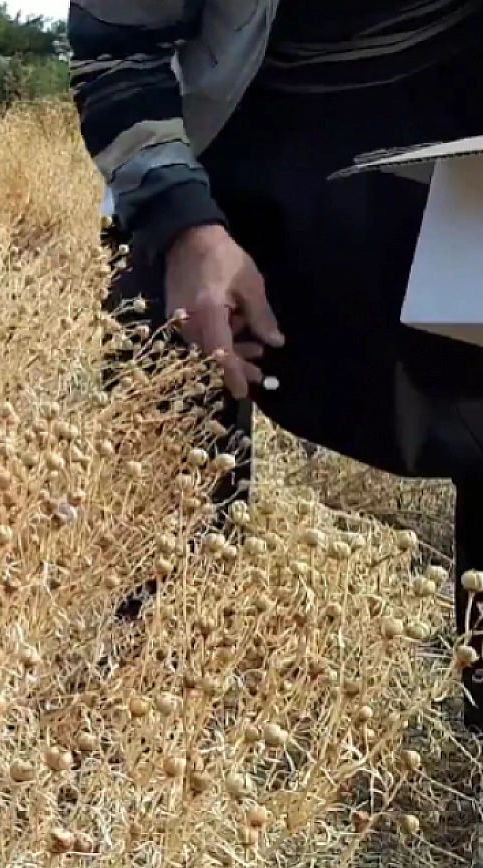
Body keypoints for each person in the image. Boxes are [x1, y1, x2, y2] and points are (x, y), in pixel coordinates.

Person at [69, 0, 483, 729]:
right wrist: (185, 228)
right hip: (252, 128)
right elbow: (118, 52)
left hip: (457, 113)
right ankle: (156, 700)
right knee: (158, 332)